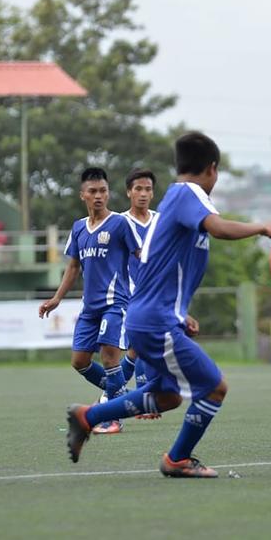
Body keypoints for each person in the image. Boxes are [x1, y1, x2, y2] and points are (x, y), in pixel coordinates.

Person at [65, 131, 271, 478]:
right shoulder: (188, 193)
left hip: (153, 317)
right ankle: (177, 459)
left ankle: (88, 417)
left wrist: (179, 314)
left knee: (167, 396)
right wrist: (261, 228)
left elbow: (153, 267)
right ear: (212, 169)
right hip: (154, 320)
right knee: (214, 387)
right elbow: (219, 227)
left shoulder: (175, 204)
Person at [40, 167, 141, 435]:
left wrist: (151, 290)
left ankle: (115, 416)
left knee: (110, 359)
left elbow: (141, 256)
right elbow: (73, 267)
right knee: (79, 361)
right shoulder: (78, 228)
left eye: (103, 191)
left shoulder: (120, 224)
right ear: (82, 195)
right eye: (93, 191)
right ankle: (123, 396)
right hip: (90, 308)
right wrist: (56, 298)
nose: (99, 196)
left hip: (115, 303)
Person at [119, 167, 158, 407]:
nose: (143, 194)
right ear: (129, 192)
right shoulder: (119, 222)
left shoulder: (161, 221)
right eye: (138, 189)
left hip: (156, 292)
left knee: (139, 347)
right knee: (139, 344)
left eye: (148, 189)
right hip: (129, 292)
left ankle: (111, 392)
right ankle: (142, 395)